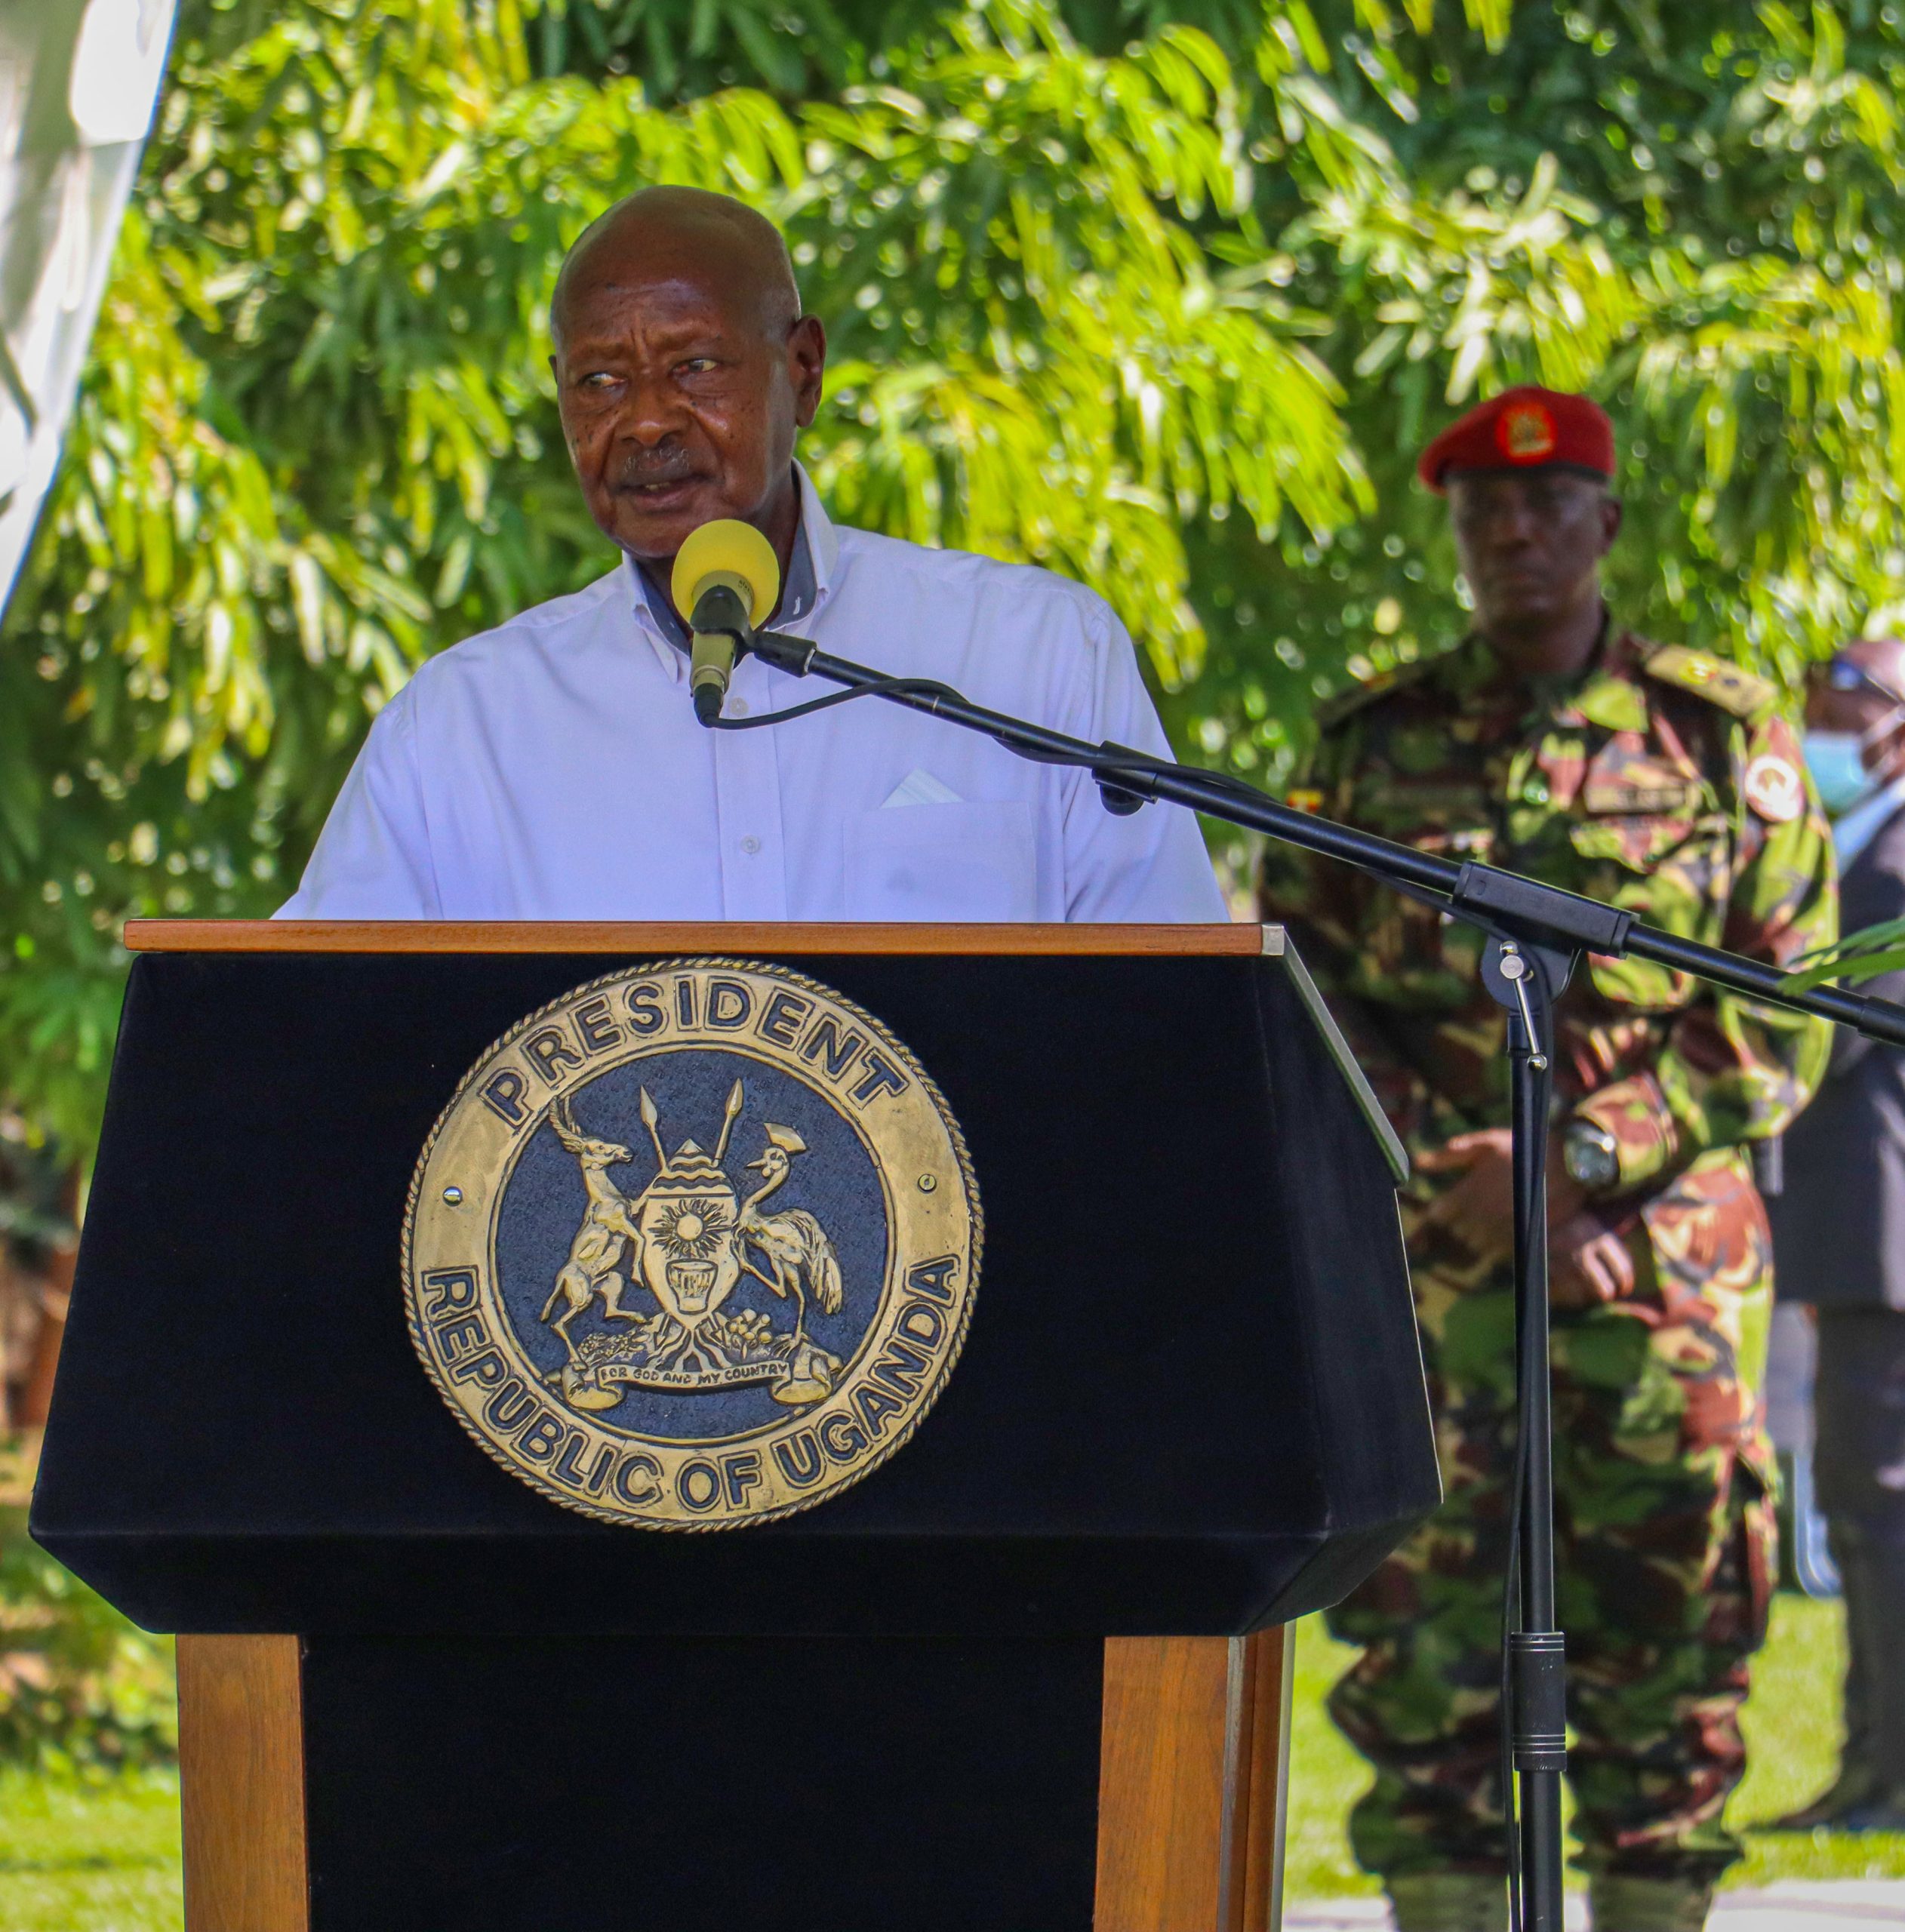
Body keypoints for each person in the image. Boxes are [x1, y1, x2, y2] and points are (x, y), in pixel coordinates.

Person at [1258, 386, 1837, 1932]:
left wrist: (1578, 1155)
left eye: (1545, 505)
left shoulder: (1718, 742)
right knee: (1424, 1669)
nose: (1512, 535)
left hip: (1657, 1291)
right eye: (1481, 515)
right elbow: (1297, 993)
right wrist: (1459, 1167)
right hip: (1438, 1283)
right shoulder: (1364, 747)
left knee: (1672, 1675)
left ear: (1605, 524)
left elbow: (1783, 1010)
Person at [279, 187, 1223, 924]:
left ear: (802, 372)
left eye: (694, 367)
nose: (645, 420)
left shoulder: (1035, 657)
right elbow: (314, 1043)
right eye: (600, 381)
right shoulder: (459, 731)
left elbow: (1174, 1028)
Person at [1768, 637, 1905, 1832]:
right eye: (1815, 704)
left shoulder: (1898, 863)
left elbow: (1832, 1036)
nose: (1825, 724)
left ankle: (1888, 1778)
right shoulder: (1858, 845)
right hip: (1851, 1235)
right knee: (1863, 1509)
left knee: (1879, 1508)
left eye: (1847, 707)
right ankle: (1870, 1769)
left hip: (1883, 1240)